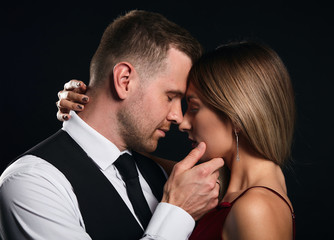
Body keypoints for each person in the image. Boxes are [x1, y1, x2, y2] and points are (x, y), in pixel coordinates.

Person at [0, 10, 224, 240]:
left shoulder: (158, 173)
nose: (178, 116)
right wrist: (178, 213)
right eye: (170, 96)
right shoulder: (31, 183)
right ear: (124, 80)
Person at [57, 41, 296, 239]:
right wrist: (92, 113)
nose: (182, 122)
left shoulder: (256, 208)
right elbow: (122, 159)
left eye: (193, 107)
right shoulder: (221, 187)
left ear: (236, 116)